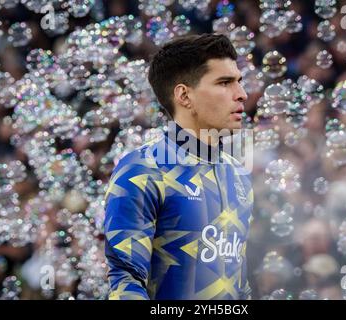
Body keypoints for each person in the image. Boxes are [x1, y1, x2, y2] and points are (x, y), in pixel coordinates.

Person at [104, 33, 253, 300]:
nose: (241, 94)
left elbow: (239, 286)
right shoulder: (143, 169)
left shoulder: (238, 175)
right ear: (184, 96)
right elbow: (126, 279)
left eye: (239, 82)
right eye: (225, 82)